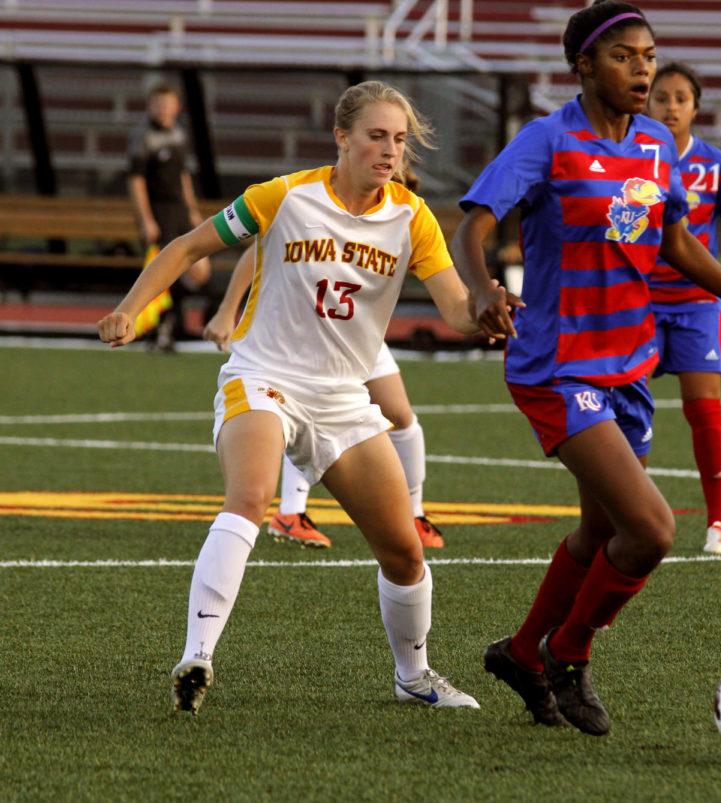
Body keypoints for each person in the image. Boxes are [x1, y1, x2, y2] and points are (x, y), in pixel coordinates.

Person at [450, 1, 721, 736]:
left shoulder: (656, 143)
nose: (643, 67)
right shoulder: (547, 140)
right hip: (558, 364)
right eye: (624, 55)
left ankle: (522, 652)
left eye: (649, 54)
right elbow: (474, 223)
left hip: (629, 364)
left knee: (599, 536)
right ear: (583, 66)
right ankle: (568, 651)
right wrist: (481, 285)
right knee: (650, 528)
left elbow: (679, 244)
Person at [100, 80, 486, 715]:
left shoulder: (412, 217)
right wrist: (130, 309)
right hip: (263, 375)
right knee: (250, 498)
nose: (389, 151)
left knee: (403, 550)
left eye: (399, 139)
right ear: (341, 137)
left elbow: (455, 310)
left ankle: (413, 675)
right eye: (375, 136)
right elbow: (188, 246)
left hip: (342, 397)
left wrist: (488, 312)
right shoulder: (285, 195)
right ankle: (197, 655)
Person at [203, 242, 445, 549]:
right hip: (304, 331)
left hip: (357, 332)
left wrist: (474, 307)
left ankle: (414, 515)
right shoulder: (309, 200)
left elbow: (443, 281)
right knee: (299, 405)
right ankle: (291, 512)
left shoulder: (404, 214)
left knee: (399, 414)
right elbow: (259, 246)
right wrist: (227, 309)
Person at [646, 62, 721, 555]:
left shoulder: (716, 164)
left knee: (703, 408)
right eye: (660, 97)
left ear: (695, 106)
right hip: (638, 301)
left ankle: (719, 524)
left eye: (680, 98)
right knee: (623, 405)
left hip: (695, 304)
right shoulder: (635, 157)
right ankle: (626, 513)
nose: (670, 106)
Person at [127, 81, 211, 350]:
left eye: (168, 104)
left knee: (200, 271)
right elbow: (136, 181)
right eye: (159, 104)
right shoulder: (143, 137)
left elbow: (183, 176)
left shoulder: (179, 133)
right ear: (150, 106)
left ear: (177, 106)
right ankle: (162, 326)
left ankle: (167, 320)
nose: (164, 109)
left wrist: (193, 209)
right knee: (165, 271)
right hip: (159, 213)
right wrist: (145, 219)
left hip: (180, 212)